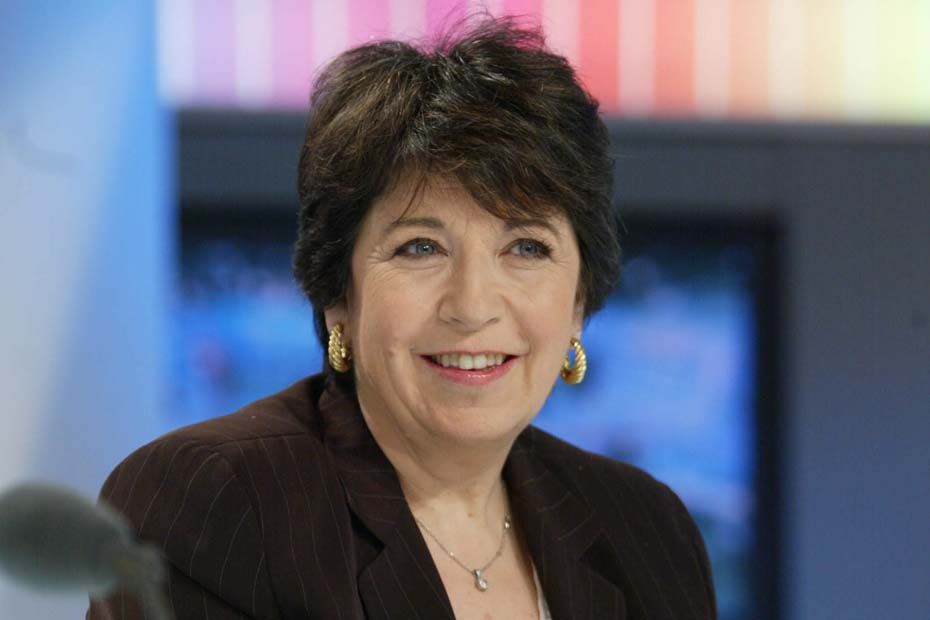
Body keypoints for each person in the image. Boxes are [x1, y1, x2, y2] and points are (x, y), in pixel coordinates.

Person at [88, 15, 716, 620]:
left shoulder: (646, 529)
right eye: (421, 247)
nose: (472, 306)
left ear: (578, 302)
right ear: (338, 293)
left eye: (526, 247)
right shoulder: (214, 499)